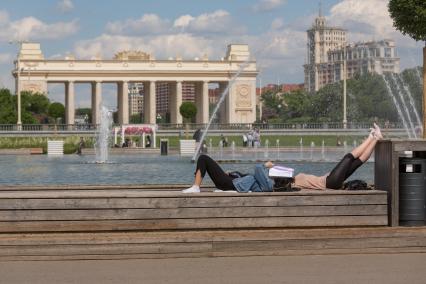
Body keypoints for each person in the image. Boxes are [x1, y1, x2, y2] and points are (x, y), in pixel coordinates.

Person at [182, 123, 383, 193]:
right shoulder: (325, 180)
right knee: (351, 159)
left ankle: (375, 138)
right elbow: (361, 160)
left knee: (353, 160)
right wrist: (373, 140)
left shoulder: (321, 181)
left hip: (329, 181)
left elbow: (353, 157)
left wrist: (266, 166)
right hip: (329, 182)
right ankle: (373, 137)